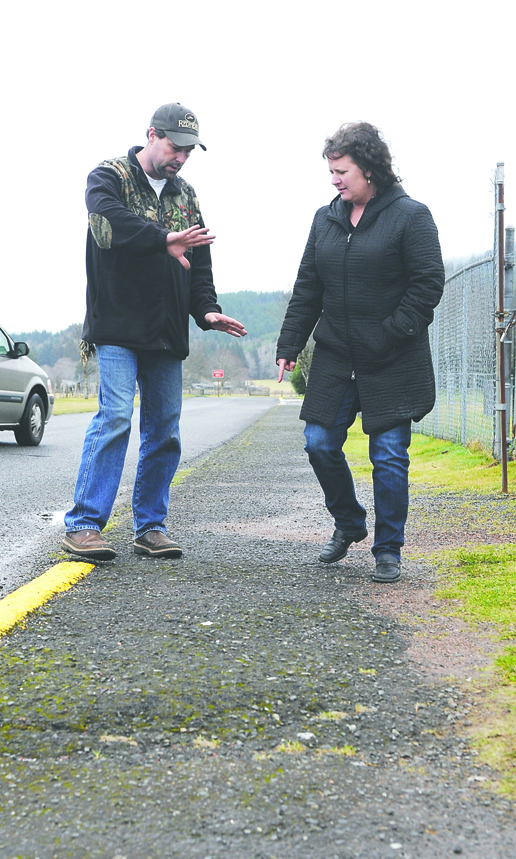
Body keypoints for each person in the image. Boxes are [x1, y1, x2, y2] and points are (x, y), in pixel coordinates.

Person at [63, 103, 246, 562]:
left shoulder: (187, 197)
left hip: (166, 332)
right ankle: (84, 525)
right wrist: (163, 239)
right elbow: (107, 225)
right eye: (174, 146)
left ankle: (150, 527)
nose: (181, 157)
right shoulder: (110, 176)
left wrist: (206, 311)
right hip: (118, 326)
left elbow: (199, 264)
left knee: (165, 430)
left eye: (189, 151)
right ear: (151, 134)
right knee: (116, 416)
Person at [276, 122, 444, 583]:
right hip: (335, 355)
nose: (333, 179)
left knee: (389, 455)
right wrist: (289, 345)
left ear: (369, 169)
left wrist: (390, 333)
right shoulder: (325, 218)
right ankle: (350, 522)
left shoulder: (411, 216)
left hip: (392, 356)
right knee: (319, 442)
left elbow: (428, 284)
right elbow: (308, 287)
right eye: (330, 171)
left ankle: (388, 550)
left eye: (341, 170)